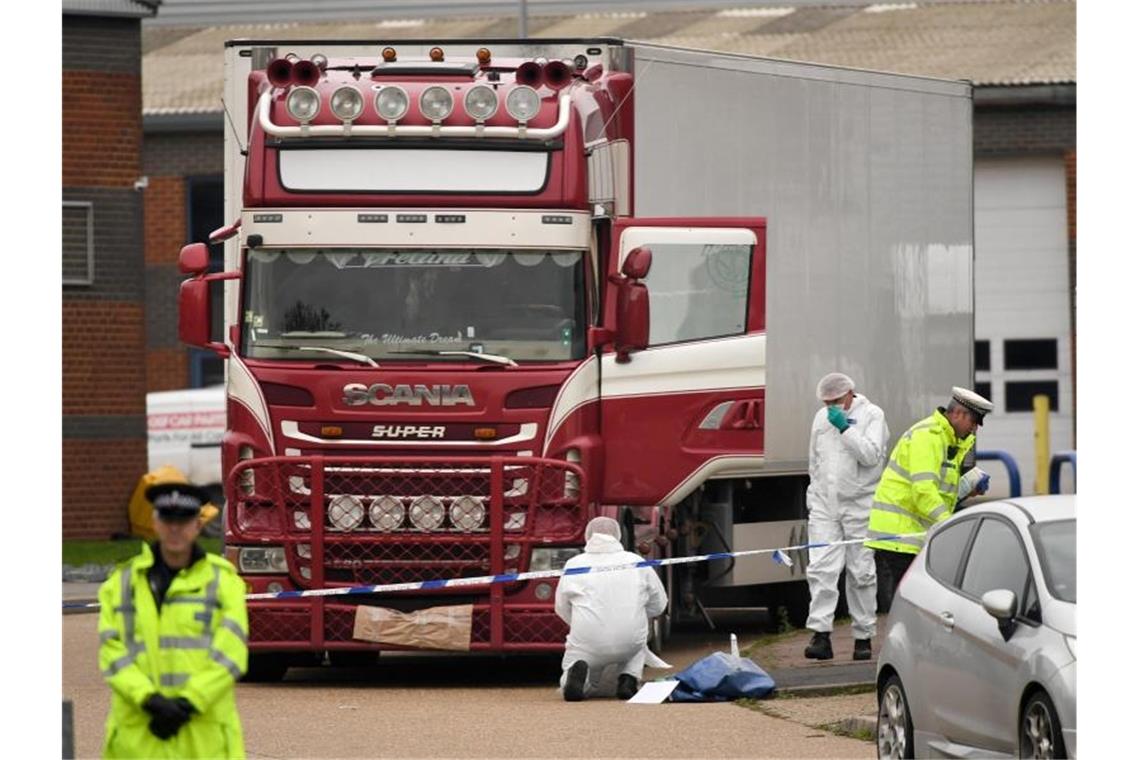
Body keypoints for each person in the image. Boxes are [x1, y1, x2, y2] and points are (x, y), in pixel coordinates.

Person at [98, 483, 249, 759]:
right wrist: (149, 699)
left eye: (184, 520)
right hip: (139, 741)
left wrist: (190, 702)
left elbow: (231, 653)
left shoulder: (223, 582)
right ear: (155, 522)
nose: (175, 528)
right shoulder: (121, 584)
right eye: (168, 519)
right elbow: (113, 653)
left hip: (202, 742)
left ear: (198, 525)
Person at [865, 386, 994, 613]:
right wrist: (949, 525)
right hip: (900, 535)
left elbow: (938, 490)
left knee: (918, 604)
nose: (975, 429)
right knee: (912, 606)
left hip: (914, 532)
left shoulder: (950, 440)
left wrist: (966, 488)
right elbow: (923, 491)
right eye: (974, 421)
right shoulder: (929, 436)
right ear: (958, 414)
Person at [803, 373, 889, 662]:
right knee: (821, 569)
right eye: (827, 403)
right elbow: (814, 462)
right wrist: (814, 499)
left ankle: (863, 637)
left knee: (861, 572)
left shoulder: (872, 415)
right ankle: (820, 634)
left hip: (861, 504)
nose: (831, 408)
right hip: (826, 505)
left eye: (836, 401)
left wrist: (846, 430)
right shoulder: (820, 419)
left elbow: (871, 456)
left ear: (850, 394)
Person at [554, 516, 669, 701]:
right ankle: (629, 677)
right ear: (619, 536)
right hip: (629, 639)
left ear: (587, 536)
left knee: (575, 660)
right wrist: (637, 613)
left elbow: (561, 607)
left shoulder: (574, 564)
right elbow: (660, 604)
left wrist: (578, 622)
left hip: (587, 640)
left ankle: (575, 678)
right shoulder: (636, 561)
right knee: (638, 644)